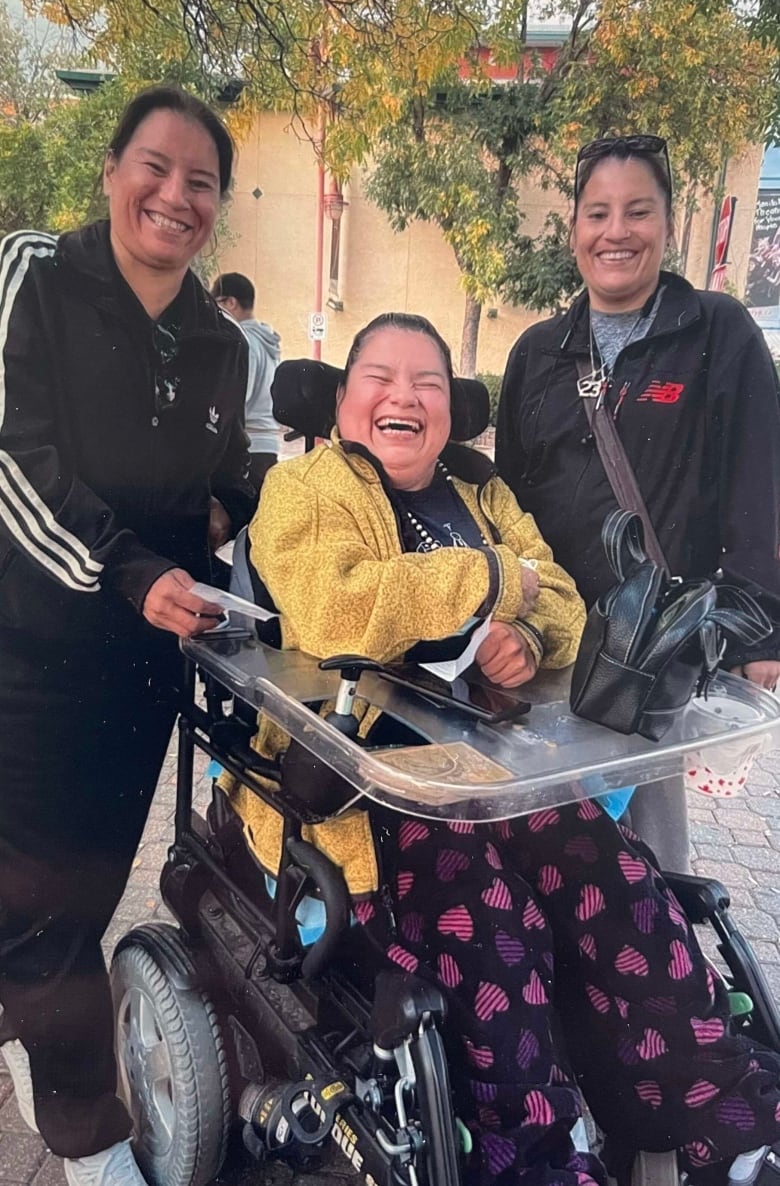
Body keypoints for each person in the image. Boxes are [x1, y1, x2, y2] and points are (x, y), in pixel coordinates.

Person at [224, 313, 780, 1186]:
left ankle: (730, 1127)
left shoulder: (480, 491)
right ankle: (540, 1163)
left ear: (451, 410)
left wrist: (521, 628)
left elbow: (560, 595)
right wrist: (489, 577)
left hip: (499, 773)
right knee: (494, 924)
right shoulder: (304, 490)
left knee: (620, 883)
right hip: (371, 789)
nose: (404, 395)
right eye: (380, 376)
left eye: (429, 383)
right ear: (341, 402)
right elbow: (337, 612)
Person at [0, 86, 256, 1185]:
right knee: (34, 900)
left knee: (85, 891)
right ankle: (85, 1130)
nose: (176, 195)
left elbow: (220, 482)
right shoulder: (37, 275)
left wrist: (239, 508)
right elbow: (16, 459)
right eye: (156, 166)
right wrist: (132, 567)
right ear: (110, 171)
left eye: (202, 182)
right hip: (28, 659)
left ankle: (49, 1052)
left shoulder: (220, 344)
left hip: (140, 675)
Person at [496, 134, 780, 873]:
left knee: (647, 859)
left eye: (636, 211)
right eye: (597, 214)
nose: (615, 231)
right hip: (550, 640)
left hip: (655, 652)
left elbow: (762, 478)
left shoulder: (717, 331)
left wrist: (761, 632)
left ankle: (659, 974)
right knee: (537, 841)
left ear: (668, 222)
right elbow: (508, 500)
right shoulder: (537, 351)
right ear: (573, 232)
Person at [211, 271, 281, 494]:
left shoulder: (244, 341)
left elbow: (238, 398)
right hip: (267, 445)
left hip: (249, 447)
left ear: (231, 302)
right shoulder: (267, 341)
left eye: (216, 304)